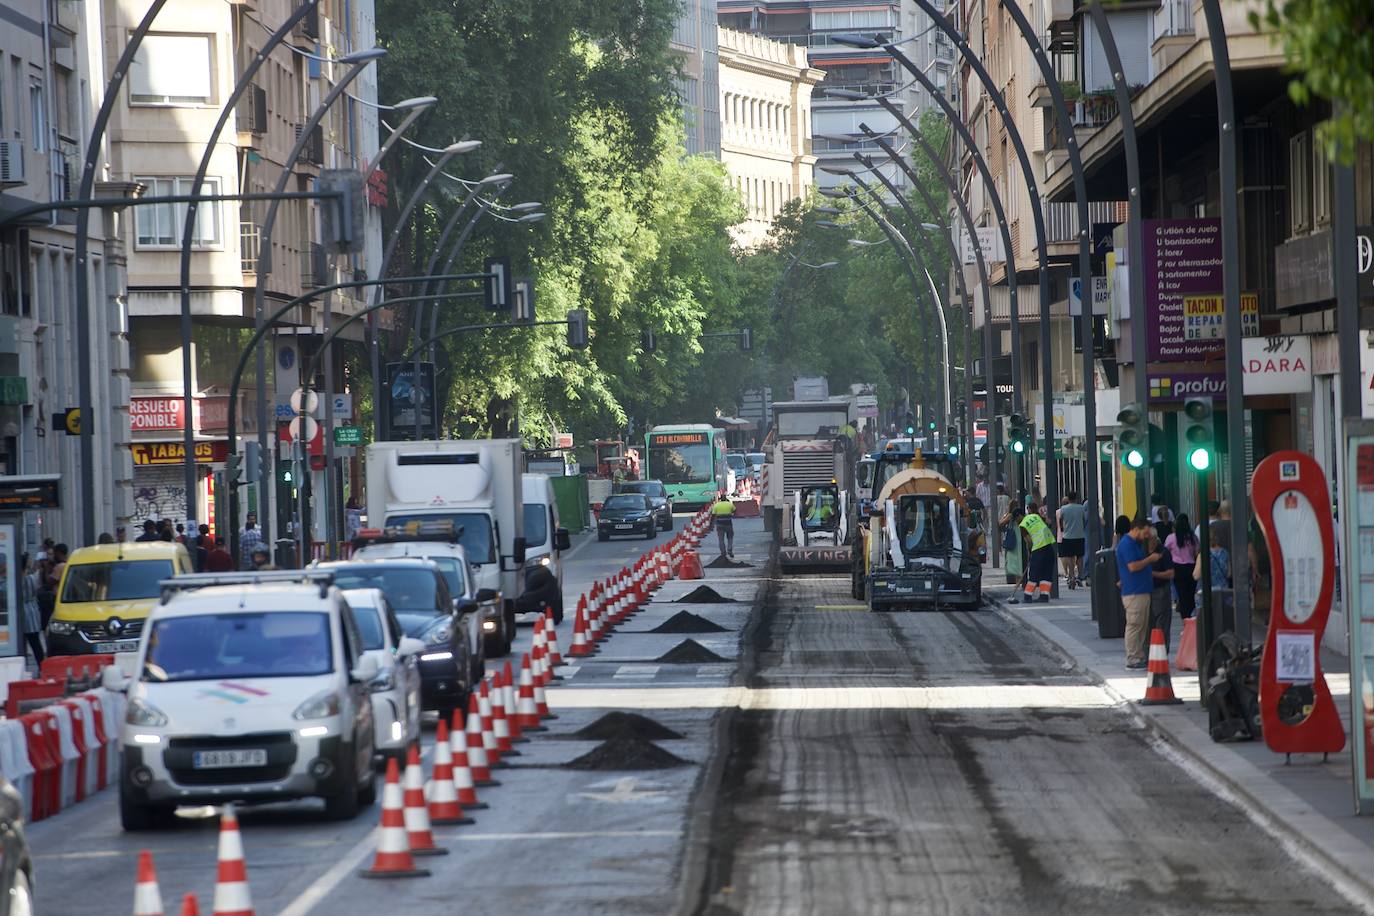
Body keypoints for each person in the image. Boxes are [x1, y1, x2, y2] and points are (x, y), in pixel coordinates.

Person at [1116, 517, 1162, 669]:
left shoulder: (1134, 544)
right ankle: (1133, 657)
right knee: (1135, 625)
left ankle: (1138, 655)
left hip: (1140, 590)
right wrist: (1150, 559)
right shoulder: (1127, 544)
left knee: (1141, 626)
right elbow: (1133, 566)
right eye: (1145, 533)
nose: (1146, 536)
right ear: (1137, 528)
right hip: (1134, 592)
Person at [1018, 501, 1057, 603]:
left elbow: (1029, 541)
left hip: (1038, 548)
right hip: (1049, 546)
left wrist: (1030, 553)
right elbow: (1049, 522)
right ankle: (1044, 596)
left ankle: (1027, 596)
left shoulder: (1022, 525)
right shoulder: (1037, 516)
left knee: (1034, 572)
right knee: (1046, 572)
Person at [1165, 514, 1199, 620]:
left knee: (1181, 593)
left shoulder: (1171, 538)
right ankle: (1190, 612)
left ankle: (1185, 617)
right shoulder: (1193, 537)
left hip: (1177, 568)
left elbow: (1165, 550)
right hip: (1191, 567)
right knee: (1190, 593)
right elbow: (1197, 552)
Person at [1149, 526, 1176, 652]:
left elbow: (1170, 573)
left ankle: (1161, 651)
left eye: (1148, 539)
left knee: (1162, 623)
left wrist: (1153, 574)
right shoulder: (1142, 551)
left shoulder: (1163, 552)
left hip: (1161, 590)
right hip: (1146, 591)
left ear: (1154, 539)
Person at [1057, 492, 1086, 589]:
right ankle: (1080, 575)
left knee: (1069, 557)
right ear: (1076, 498)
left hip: (1067, 536)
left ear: (1068, 499)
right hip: (1079, 535)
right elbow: (1084, 520)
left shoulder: (1064, 509)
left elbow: (1060, 521)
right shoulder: (1081, 508)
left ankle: (1072, 575)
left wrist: (1062, 529)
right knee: (1080, 556)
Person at [20, 554, 44, 666]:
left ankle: (23, 665)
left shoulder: (15, 579)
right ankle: (42, 665)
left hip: (21, 612)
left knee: (21, 643)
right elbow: (36, 591)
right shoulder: (31, 578)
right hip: (32, 612)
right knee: (35, 643)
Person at [709, 490, 736, 557]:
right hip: (728, 524)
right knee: (730, 537)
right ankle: (729, 549)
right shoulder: (729, 504)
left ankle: (723, 552)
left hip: (719, 524)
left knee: (721, 539)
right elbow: (734, 510)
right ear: (726, 498)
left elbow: (713, 515)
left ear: (720, 499)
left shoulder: (717, 505)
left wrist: (711, 525)